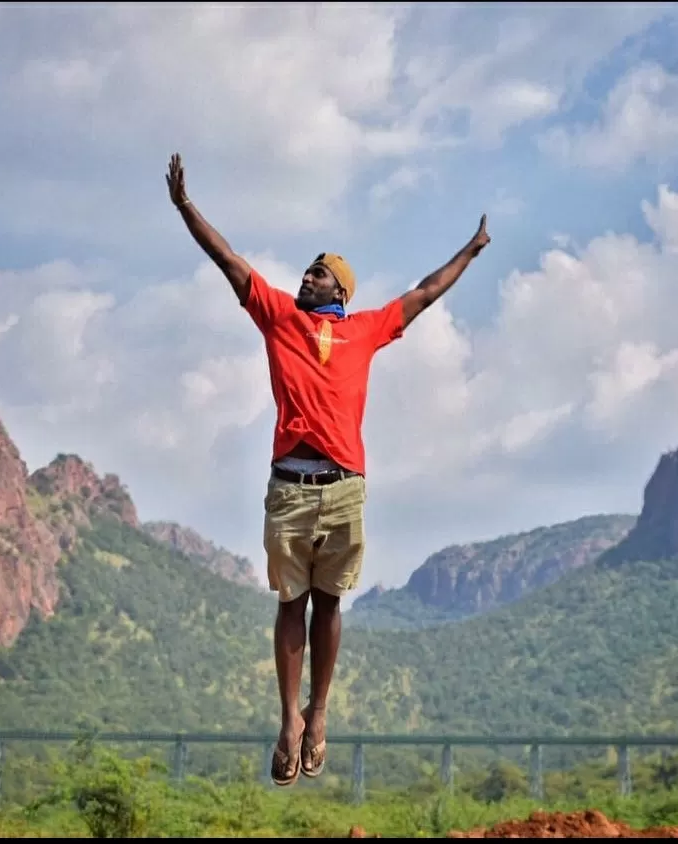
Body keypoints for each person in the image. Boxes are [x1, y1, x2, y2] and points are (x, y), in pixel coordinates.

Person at [165, 152, 490, 787]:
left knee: (328, 604)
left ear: (339, 288)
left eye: (316, 273)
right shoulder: (278, 318)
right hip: (289, 487)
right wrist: (185, 208)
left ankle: (319, 714)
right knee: (291, 603)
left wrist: (472, 249)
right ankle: (289, 719)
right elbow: (230, 261)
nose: (304, 278)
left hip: (343, 489)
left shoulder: (366, 329)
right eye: (307, 271)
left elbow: (424, 292)